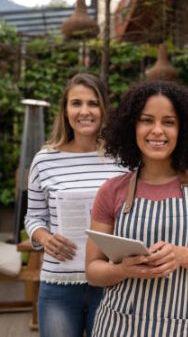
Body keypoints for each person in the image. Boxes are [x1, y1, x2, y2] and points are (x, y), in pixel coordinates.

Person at [86, 80, 188, 337]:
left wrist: (179, 255)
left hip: (181, 327)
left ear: (183, 129)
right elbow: (93, 271)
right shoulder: (111, 190)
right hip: (118, 326)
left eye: (168, 122)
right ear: (132, 127)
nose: (157, 131)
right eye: (146, 120)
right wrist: (122, 269)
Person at [24, 72, 127, 337]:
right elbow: (33, 216)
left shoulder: (124, 159)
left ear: (104, 109)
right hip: (60, 283)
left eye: (92, 103)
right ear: (65, 110)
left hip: (111, 281)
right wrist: (45, 239)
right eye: (76, 103)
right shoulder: (44, 160)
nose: (85, 111)